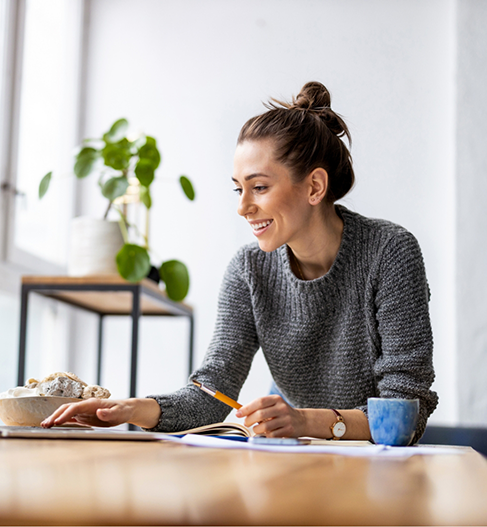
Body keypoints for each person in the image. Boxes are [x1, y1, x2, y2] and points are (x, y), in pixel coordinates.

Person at [42, 81, 438, 442]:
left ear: (315, 186)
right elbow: (213, 392)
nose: (243, 207)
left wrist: (303, 421)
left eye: (259, 187)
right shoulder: (249, 270)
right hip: (297, 459)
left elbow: (406, 413)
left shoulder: (390, 252)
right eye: (238, 190)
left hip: (381, 470)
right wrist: (133, 409)